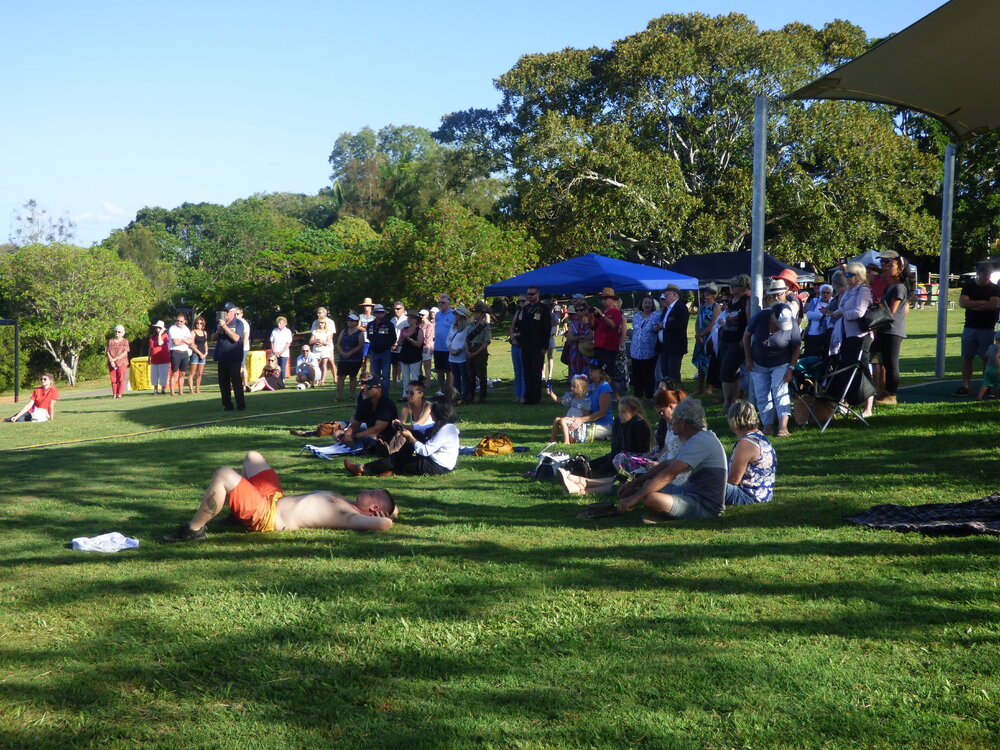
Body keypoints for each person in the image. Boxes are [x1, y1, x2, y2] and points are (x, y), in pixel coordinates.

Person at [161, 450, 397, 542]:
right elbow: (386, 513)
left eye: (372, 493)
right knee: (253, 457)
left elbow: (385, 523)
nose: (367, 489)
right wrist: (390, 507)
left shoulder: (351, 516)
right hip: (272, 498)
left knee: (224, 474)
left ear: (375, 509)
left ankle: (193, 530)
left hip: (270, 515)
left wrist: (388, 515)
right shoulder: (350, 504)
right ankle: (236, 515)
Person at [615, 398, 727, 523]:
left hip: (705, 506)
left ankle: (664, 514)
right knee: (647, 485)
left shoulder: (700, 441)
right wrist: (635, 483)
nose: (670, 422)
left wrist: (634, 498)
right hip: (689, 492)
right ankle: (662, 512)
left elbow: (669, 474)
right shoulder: (697, 438)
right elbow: (668, 464)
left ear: (682, 422)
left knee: (651, 498)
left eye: (674, 419)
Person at [345, 396, 460, 477]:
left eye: (432, 411)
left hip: (437, 467)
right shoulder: (442, 425)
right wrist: (402, 425)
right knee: (415, 436)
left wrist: (410, 437)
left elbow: (426, 450)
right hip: (433, 461)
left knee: (397, 458)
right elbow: (420, 428)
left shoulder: (447, 429)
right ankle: (393, 469)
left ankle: (362, 469)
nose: (430, 413)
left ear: (439, 412)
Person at [743, 279, 801, 437]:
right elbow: (746, 337)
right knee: (762, 395)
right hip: (759, 363)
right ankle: (767, 425)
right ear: (772, 318)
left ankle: (783, 427)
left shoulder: (790, 319)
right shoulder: (761, 316)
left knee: (780, 392)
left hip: (781, 363)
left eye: (779, 294)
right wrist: (748, 358)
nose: (776, 297)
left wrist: (791, 368)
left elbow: (797, 346)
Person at [828, 262, 875, 417]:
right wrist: (835, 312)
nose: (846, 278)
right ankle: (847, 401)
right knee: (848, 367)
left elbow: (859, 312)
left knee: (863, 368)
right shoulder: (849, 291)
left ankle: (868, 407)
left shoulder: (864, 290)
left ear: (859, 275)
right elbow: (844, 308)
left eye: (850, 275)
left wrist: (842, 314)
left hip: (862, 336)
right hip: (848, 336)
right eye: (845, 274)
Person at [953, 261, 1000, 397]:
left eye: (989, 274)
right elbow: (963, 303)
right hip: (969, 326)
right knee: (968, 357)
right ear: (978, 274)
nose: (986, 276)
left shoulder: (994, 288)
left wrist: (973, 305)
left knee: (986, 358)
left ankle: (987, 387)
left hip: (986, 327)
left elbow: (992, 305)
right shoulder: (969, 287)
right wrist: (983, 303)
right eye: (984, 274)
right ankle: (965, 386)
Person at [872, 251, 911, 406]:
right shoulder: (890, 286)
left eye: (890, 264)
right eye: (883, 263)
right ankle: (882, 392)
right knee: (881, 361)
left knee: (891, 363)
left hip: (893, 330)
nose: (885, 267)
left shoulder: (899, 287)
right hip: (883, 329)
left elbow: (890, 311)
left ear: (900, 268)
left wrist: (874, 317)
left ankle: (891, 395)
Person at [723, 400, 777, 506]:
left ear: (732, 422)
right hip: (763, 494)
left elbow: (734, 480)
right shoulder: (760, 437)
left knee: (705, 483)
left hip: (748, 495)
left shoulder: (746, 444)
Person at [337, 378, 399, 451]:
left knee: (371, 437)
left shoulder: (387, 404)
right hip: (370, 432)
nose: (365, 390)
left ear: (379, 389)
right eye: (365, 387)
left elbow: (379, 428)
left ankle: (358, 448)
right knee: (337, 433)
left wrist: (355, 436)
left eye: (369, 387)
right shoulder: (365, 404)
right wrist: (348, 434)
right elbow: (355, 423)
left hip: (387, 435)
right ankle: (353, 449)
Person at [718, 274, 751, 410]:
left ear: (744, 287)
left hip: (737, 341)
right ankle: (734, 401)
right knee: (731, 373)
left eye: (735, 285)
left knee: (726, 373)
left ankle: (728, 403)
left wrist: (744, 340)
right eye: (731, 285)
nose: (731, 287)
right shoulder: (732, 301)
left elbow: (749, 324)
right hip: (726, 338)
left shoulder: (746, 301)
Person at [512, 286, 550, 404]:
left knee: (536, 372)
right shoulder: (526, 308)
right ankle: (527, 396)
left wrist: (544, 346)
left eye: (532, 294)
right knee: (527, 372)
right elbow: (521, 325)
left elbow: (546, 329)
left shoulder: (543, 308)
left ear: (538, 294)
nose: (530, 296)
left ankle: (535, 397)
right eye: (529, 294)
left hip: (537, 345)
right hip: (525, 345)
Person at [561, 363, 614, 443]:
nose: (590, 372)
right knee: (563, 422)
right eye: (590, 370)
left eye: (593, 370)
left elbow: (603, 412)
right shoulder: (590, 386)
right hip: (589, 422)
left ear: (601, 373)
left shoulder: (605, 387)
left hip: (604, 425)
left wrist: (581, 420)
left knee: (571, 437)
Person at [214, 303, 247, 411]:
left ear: (233, 312)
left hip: (234, 357)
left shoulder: (238, 323)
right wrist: (219, 330)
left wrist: (224, 327)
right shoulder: (219, 323)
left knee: (236, 381)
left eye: (227, 311)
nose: (226, 314)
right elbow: (212, 338)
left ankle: (240, 404)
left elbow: (236, 338)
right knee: (223, 383)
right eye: (224, 311)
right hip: (222, 357)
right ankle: (227, 405)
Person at [655, 284, 689, 384]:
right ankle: (668, 394)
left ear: (674, 295)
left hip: (675, 346)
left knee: (673, 372)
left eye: (667, 294)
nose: (664, 296)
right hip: (664, 346)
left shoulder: (681, 307)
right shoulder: (666, 308)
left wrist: (663, 325)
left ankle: (677, 395)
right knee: (665, 372)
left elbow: (681, 324)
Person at [591, 287, 625, 386]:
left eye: (606, 298)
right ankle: (599, 391)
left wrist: (602, 315)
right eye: (602, 299)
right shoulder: (601, 312)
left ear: (612, 300)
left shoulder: (615, 312)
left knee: (608, 372)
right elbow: (593, 327)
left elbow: (613, 325)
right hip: (599, 347)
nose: (604, 300)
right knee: (598, 371)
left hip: (609, 348)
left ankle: (608, 394)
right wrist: (591, 318)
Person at [692, 284, 722, 395]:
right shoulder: (702, 306)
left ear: (714, 294)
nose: (706, 294)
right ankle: (699, 388)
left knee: (709, 363)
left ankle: (709, 387)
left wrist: (703, 334)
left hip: (709, 338)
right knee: (700, 363)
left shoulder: (716, 306)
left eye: (709, 292)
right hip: (699, 337)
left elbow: (713, 323)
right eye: (705, 292)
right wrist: (697, 334)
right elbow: (697, 321)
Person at [551, 374, 592, 443]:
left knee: (563, 420)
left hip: (577, 425)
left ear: (581, 388)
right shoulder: (572, 397)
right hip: (569, 421)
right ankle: (553, 440)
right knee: (556, 419)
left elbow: (586, 417)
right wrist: (551, 393)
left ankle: (567, 442)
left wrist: (576, 421)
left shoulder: (586, 401)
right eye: (571, 386)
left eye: (574, 386)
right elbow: (559, 400)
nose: (571, 388)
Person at [367, 304, 397, 395]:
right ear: (374, 313)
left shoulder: (389, 324)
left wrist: (386, 345)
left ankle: (385, 395)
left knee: (385, 375)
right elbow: (369, 337)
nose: (379, 314)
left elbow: (393, 338)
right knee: (374, 375)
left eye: (381, 312)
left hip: (385, 352)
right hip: (374, 352)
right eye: (377, 312)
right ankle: (376, 394)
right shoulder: (370, 324)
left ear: (384, 313)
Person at [465, 301, 492, 403]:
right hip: (470, 350)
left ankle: (482, 397)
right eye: (474, 312)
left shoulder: (485, 326)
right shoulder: (471, 325)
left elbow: (486, 342)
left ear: (482, 314)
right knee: (470, 375)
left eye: (477, 312)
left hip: (480, 351)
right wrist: (467, 351)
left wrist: (476, 353)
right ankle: (470, 396)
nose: (475, 314)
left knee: (481, 375)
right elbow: (466, 339)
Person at [335, 314, 366, 400]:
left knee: (353, 377)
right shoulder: (343, 332)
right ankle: (338, 396)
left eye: (352, 320)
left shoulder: (359, 333)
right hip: (343, 358)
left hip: (355, 359)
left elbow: (361, 345)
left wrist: (350, 353)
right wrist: (342, 353)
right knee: (341, 377)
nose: (349, 322)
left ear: (356, 322)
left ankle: (351, 396)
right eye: (348, 320)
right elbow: (338, 344)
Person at [563, 298, 594, 384]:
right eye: (577, 310)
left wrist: (576, 337)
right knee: (574, 373)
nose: (579, 312)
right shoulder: (573, 323)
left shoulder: (591, 322)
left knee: (587, 373)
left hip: (587, 352)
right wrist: (581, 337)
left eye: (581, 310)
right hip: (574, 353)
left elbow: (591, 336)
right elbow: (569, 337)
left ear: (586, 310)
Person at [396, 310, 425, 400]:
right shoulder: (404, 329)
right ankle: (405, 395)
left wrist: (408, 338)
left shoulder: (419, 330)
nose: (410, 320)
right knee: (405, 377)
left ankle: (416, 394)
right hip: (404, 355)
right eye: (409, 318)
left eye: (412, 318)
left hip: (415, 356)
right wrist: (401, 338)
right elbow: (399, 343)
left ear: (416, 320)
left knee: (415, 376)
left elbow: (419, 344)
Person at [446, 306, 471, 403]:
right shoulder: (453, 326)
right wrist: (451, 349)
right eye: (455, 314)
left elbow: (465, 340)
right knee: (456, 378)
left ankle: (465, 396)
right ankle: (456, 395)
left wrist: (458, 349)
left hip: (461, 356)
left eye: (457, 314)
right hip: (452, 356)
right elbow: (448, 339)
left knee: (464, 377)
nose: (456, 316)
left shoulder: (466, 327)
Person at [433, 294, 456, 395]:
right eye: (440, 302)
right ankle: (440, 389)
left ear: (448, 303)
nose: (441, 304)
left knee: (449, 370)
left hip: (448, 347)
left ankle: (450, 390)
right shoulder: (437, 314)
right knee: (439, 370)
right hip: (438, 346)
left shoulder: (453, 314)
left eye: (443, 302)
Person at [804, 285, 834, 358]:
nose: (825, 294)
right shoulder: (814, 300)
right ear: (820, 293)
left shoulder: (833, 302)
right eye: (824, 292)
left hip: (828, 333)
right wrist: (822, 314)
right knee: (811, 355)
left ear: (831, 294)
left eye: (828, 293)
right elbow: (809, 314)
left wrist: (825, 313)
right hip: (814, 332)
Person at [508, 295, 528, 403]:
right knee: (517, 372)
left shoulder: (530, 313)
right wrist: (512, 338)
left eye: (523, 301)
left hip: (524, 344)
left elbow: (529, 330)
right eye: (519, 301)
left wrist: (516, 335)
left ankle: (523, 396)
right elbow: (512, 327)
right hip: (515, 344)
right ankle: (517, 396)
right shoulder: (518, 313)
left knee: (525, 372)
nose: (521, 303)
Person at [166, 313, 192, 396]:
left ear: (184, 321)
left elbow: (191, 341)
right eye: (177, 321)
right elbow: (175, 342)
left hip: (184, 353)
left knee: (183, 373)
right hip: (175, 352)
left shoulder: (186, 329)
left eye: (181, 321)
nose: (179, 322)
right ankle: (172, 392)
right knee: (174, 372)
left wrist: (182, 340)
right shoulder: (172, 329)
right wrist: (185, 340)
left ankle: (181, 391)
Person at [105, 325, 130, 399]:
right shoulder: (110, 341)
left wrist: (116, 359)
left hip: (122, 362)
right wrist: (111, 360)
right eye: (115, 331)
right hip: (112, 363)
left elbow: (125, 352)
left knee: (121, 379)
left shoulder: (125, 341)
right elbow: (107, 351)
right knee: (113, 379)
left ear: (122, 333)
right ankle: (114, 394)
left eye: (119, 332)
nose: (117, 333)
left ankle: (120, 394)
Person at [310, 319, 336, 387]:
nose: (321, 324)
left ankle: (323, 380)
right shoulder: (315, 331)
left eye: (322, 323)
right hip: (316, 350)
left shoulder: (328, 332)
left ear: (325, 324)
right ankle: (316, 380)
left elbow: (328, 342)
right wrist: (315, 341)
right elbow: (310, 341)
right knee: (316, 365)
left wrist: (322, 342)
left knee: (324, 365)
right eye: (320, 323)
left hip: (324, 350)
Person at [976, 331, 1000, 401]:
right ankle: (997, 396)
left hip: (988, 368)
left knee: (986, 384)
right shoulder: (999, 348)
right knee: (998, 384)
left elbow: (986, 355)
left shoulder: (991, 347)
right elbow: (996, 356)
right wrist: (998, 367)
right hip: (996, 369)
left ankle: (979, 397)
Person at [188, 316, 210, 394]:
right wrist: (199, 353)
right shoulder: (193, 332)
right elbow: (191, 344)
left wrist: (206, 353)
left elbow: (205, 344)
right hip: (195, 354)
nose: (199, 324)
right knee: (192, 373)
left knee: (200, 373)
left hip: (203, 355)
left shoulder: (205, 333)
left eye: (201, 323)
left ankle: (197, 389)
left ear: (203, 324)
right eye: (197, 323)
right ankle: (191, 390)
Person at [148, 320, 170, 395]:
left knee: (163, 375)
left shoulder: (165, 336)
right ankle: (155, 390)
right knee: (154, 376)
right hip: (154, 359)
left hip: (163, 359)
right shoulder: (153, 337)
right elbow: (150, 348)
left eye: (159, 327)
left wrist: (160, 334)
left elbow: (160, 343)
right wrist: (149, 358)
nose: (157, 329)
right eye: (157, 327)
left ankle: (163, 390)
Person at [390, 301, 408, 385]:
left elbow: (406, 333)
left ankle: (403, 381)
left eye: (398, 308)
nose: (396, 310)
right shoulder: (393, 319)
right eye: (395, 309)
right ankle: (394, 382)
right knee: (394, 365)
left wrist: (398, 343)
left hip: (403, 345)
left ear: (403, 309)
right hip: (393, 346)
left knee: (403, 365)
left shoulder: (406, 320)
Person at [235, 307, 252, 389]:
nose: (236, 315)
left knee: (240, 367)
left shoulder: (244, 323)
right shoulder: (237, 322)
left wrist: (241, 348)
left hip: (243, 348)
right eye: (235, 313)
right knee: (242, 366)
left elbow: (245, 337)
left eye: (237, 314)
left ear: (242, 314)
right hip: (237, 348)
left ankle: (243, 385)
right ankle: (245, 385)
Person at [419, 308, 434, 383]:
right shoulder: (419, 324)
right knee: (418, 366)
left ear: (427, 315)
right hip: (419, 347)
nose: (421, 316)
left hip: (426, 347)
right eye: (420, 314)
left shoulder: (429, 325)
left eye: (422, 315)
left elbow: (428, 338)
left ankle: (428, 383)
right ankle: (420, 382)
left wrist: (423, 345)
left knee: (427, 366)